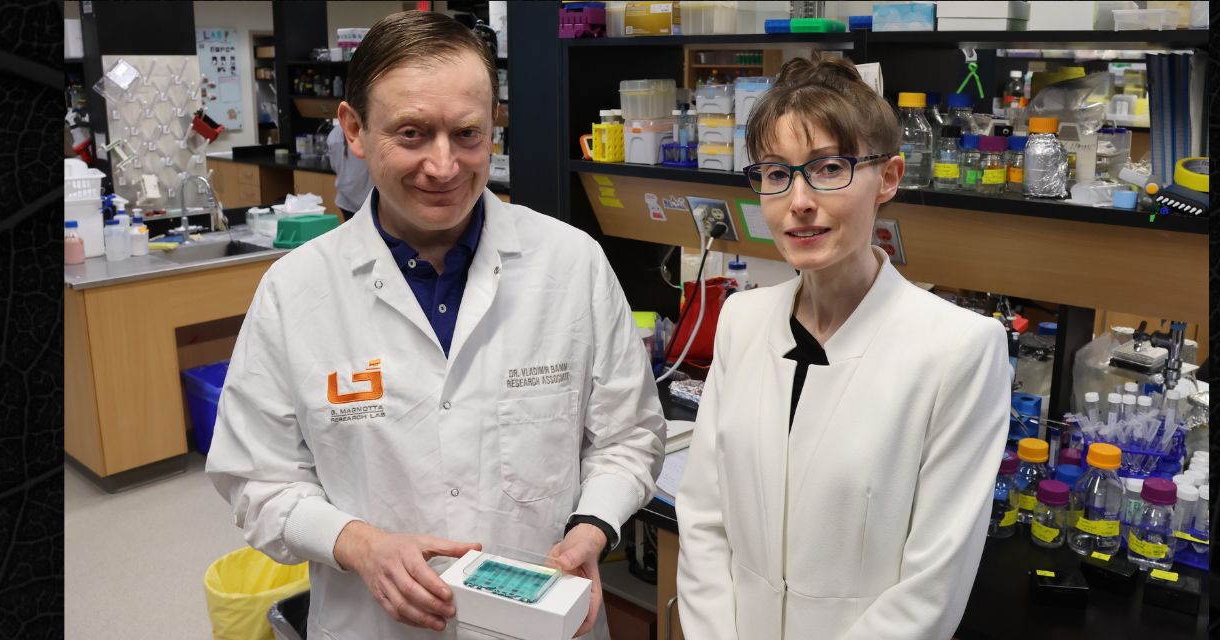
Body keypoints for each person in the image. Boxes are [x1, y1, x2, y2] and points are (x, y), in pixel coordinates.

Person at [207, 11, 665, 640]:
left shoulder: (571, 264)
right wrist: (358, 544)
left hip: (545, 622)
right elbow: (255, 478)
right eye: (413, 133)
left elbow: (630, 436)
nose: (444, 165)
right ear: (355, 131)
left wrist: (592, 528)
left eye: (467, 133)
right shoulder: (296, 292)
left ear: (494, 129)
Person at [674, 53, 1012, 639]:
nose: (798, 200)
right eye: (775, 173)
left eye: (829, 168)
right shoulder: (742, 320)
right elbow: (704, 518)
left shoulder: (959, 349)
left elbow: (932, 586)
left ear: (888, 177)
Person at [325, 119, 374, 219]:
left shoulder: (334, 134)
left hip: (345, 200)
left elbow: (334, 166)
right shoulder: (369, 131)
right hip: (368, 201)